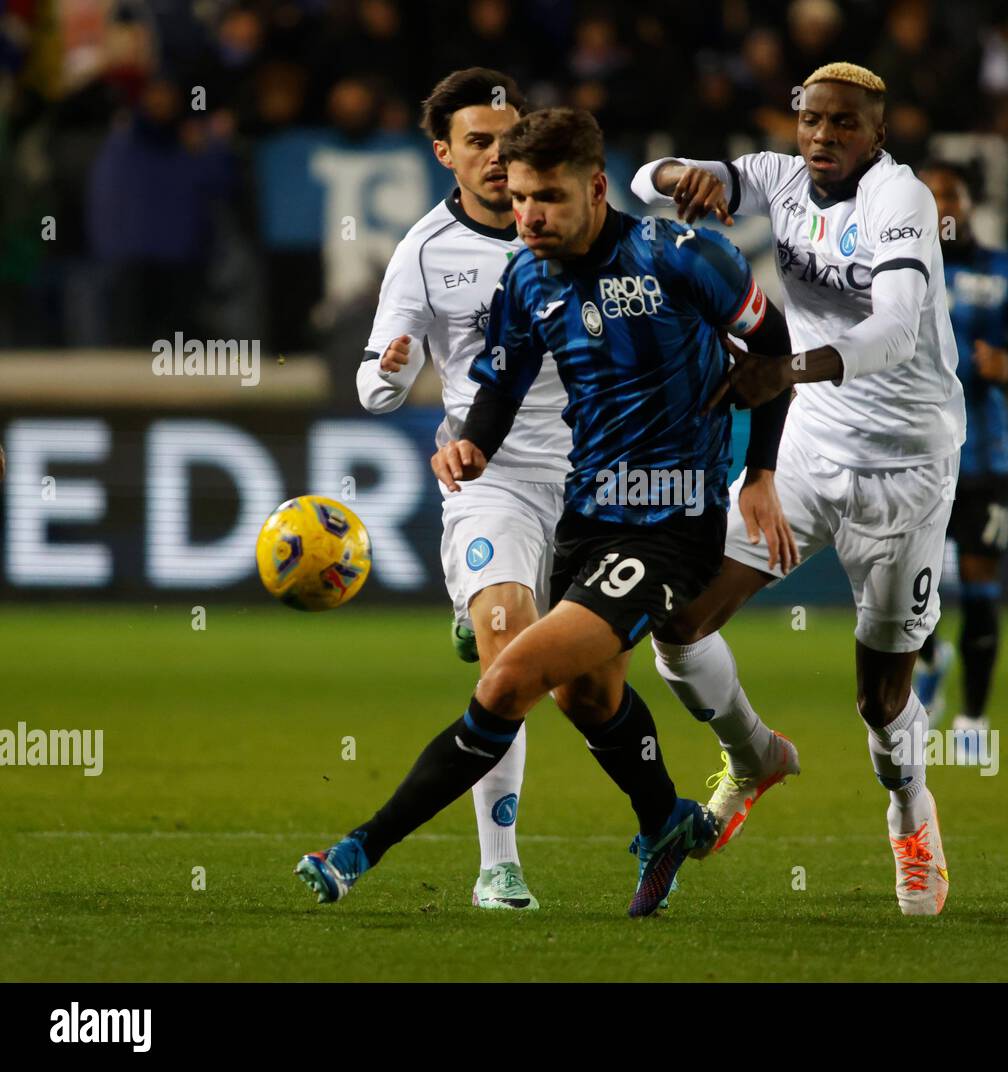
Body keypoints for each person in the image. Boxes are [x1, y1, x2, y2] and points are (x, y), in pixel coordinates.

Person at [298, 106, 796, 917]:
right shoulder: (527, 276)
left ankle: (359, 848)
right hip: (587, 516)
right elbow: (500, 382)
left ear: (598, 188)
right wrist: (475, 446)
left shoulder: (683, 257)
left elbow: (775, 348)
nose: (528, 216)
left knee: (512, 678)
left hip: (672, 525)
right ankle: (665, 817)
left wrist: (760, 473)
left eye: (549, 198)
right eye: (521, 198)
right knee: (585, 698)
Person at [632, 61, 964, 915]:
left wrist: (784, 369)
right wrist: (683, 178)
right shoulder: (777, 178)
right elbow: (641, 181)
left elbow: (892, 332)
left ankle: (910, 812)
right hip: (813, 452)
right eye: (812, 120)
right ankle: (753, 756)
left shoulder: (902, 203)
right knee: (677, 622)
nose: (823, 136)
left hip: (906, 468)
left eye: (844, 124)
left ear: (876, 134)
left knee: (881, 701)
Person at [353, 67, 562, 911]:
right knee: (508, 651)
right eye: (477, 142)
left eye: (508, 142)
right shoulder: (424, 252)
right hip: (491, 476)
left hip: (595, 474)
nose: (496, 157)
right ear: (444, 153)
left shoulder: (569, 227)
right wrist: (396, 371)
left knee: (597, 686)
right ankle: (498, 865)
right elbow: (375, 387)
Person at [912, 159, 1008, 759]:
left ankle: (971, 722)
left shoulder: (1001, 273)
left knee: (979, 579)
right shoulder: (896, 267)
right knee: (912, 583)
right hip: (914, 453)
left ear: (966, 204)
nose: (944, 205)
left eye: (952, 195)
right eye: (931, 195)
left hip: (985, 453)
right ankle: (932, 655)